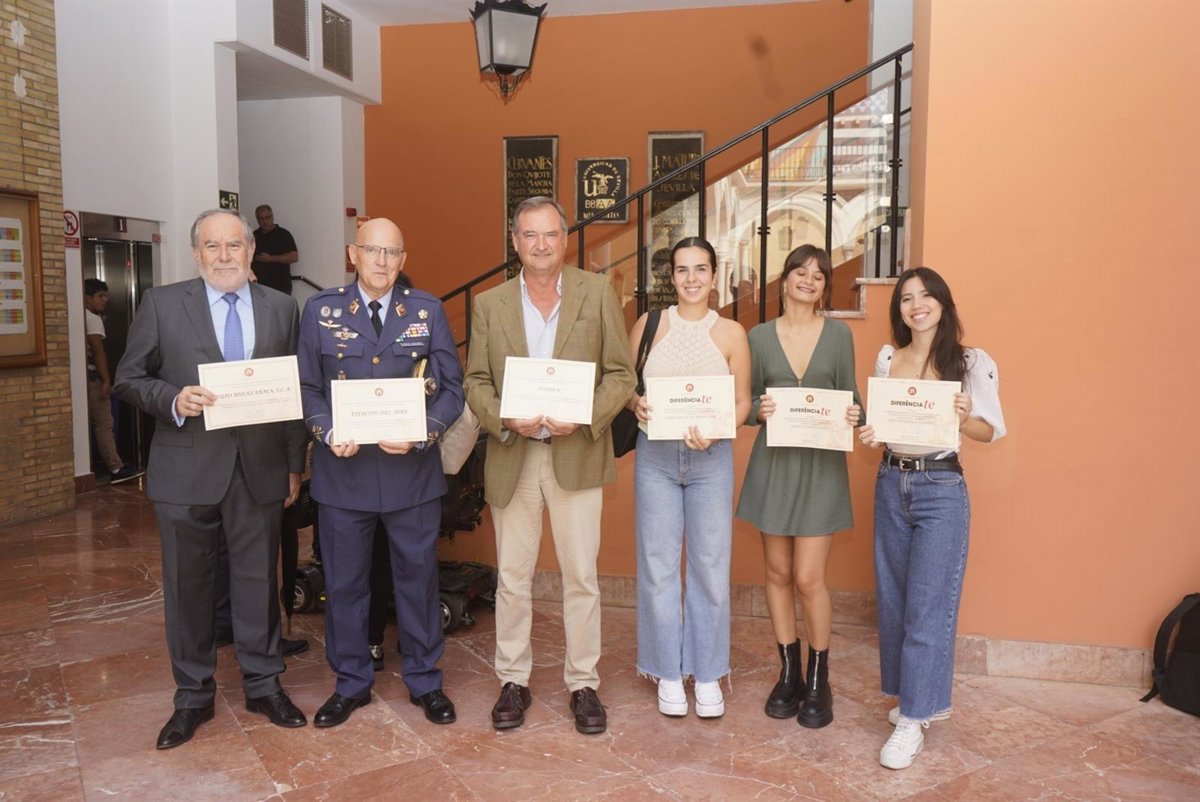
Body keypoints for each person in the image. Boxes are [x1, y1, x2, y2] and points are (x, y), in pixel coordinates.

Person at [113, 209, 308, 749]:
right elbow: (129, 378)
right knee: (188, 589)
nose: (224, 256)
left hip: (260, 469)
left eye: (234, 245)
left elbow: (293, 392)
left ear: (251, 251)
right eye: (212, 246)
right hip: (185, 471)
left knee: (258, 583)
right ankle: (192, 696)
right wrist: (173, 399)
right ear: (196, 253)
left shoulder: (281, 307)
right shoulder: (161, 304)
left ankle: (264, 685)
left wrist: (294, 463)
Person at [463, 196, 635, 734]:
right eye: (530, 235)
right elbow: (475, 381)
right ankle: (513, 679)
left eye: (551, 234)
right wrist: (502, 417)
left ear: (566, 239)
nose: (541, 245)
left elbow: (621, 374)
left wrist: (583, 414)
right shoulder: (489, 303)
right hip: (513, 456)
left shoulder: (597, 291)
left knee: (581, 577)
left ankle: (583, 683)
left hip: (576, 453)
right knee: (513, 579)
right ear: (515, 241)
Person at [297, 217, 462, 728]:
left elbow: (452, 389)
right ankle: (350, 683)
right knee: (345, 586)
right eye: (372, 250)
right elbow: (307, 387)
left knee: (418, 582)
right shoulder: (321, 310)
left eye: (392, 253)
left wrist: (423, 433)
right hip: (343, 476)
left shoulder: (427, 310)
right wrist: (326, 430)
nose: (382, 261)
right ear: (354, 254)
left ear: (403, 260)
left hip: (411, 474)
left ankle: (425, 680)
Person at [859, 266, 1006, 770]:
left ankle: (914, 719)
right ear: (898, 310)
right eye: (906, 298)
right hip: (890, 482)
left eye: (925, 296)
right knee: (895, 602)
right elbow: (886, 424)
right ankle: (914, 700)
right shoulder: (888, 358)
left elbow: (990, 430)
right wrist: (872, 433)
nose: (916, 305)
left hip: (940, 489)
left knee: (928, 605)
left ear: (943, 303)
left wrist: (964, 417)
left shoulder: (970, 361)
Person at [735, 245, 862, 728]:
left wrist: (855, 413)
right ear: (785, 279)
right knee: (777, 572)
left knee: (809, 578)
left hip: (821, 468)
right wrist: (758, 410)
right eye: (800, 271)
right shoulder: (758, 336)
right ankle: (788, 672)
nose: (809, 279)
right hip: (775, 466)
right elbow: (745, 402)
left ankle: (818, 678)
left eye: (818, 275)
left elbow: (853, 398)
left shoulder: (840, 335)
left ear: (824, 286)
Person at [627, 237, 751, 718]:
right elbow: (626, 385)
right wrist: (635, 403)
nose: (692, 278)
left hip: (711, 460)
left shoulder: (732, 333)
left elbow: (742, 401)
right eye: (683, 270)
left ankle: (707, 671)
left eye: (701, 269)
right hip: (655, 458)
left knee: (710, 568)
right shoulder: (648, 325)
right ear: (671, 277)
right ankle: (667, 672)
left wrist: (719, 429)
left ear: (714, 276)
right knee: (658, 567)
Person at [83, 278, 144, 484]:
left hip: (83, 380)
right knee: (104, 423)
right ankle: (116, 468)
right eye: (100, 296)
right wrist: (106, 381)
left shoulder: (78, 316)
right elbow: (98, 352)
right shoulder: (92, 319)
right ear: (87, 298)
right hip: (93, 379)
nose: (105, 300)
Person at [252, 204, 299, 295]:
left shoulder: (283, 234)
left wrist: (270, 259)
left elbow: (294, 257)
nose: (265, 221)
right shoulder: (253, 236)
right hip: (259, 288)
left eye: (267, 217)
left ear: (272, 217)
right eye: (261, 218)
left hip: (280, 287)